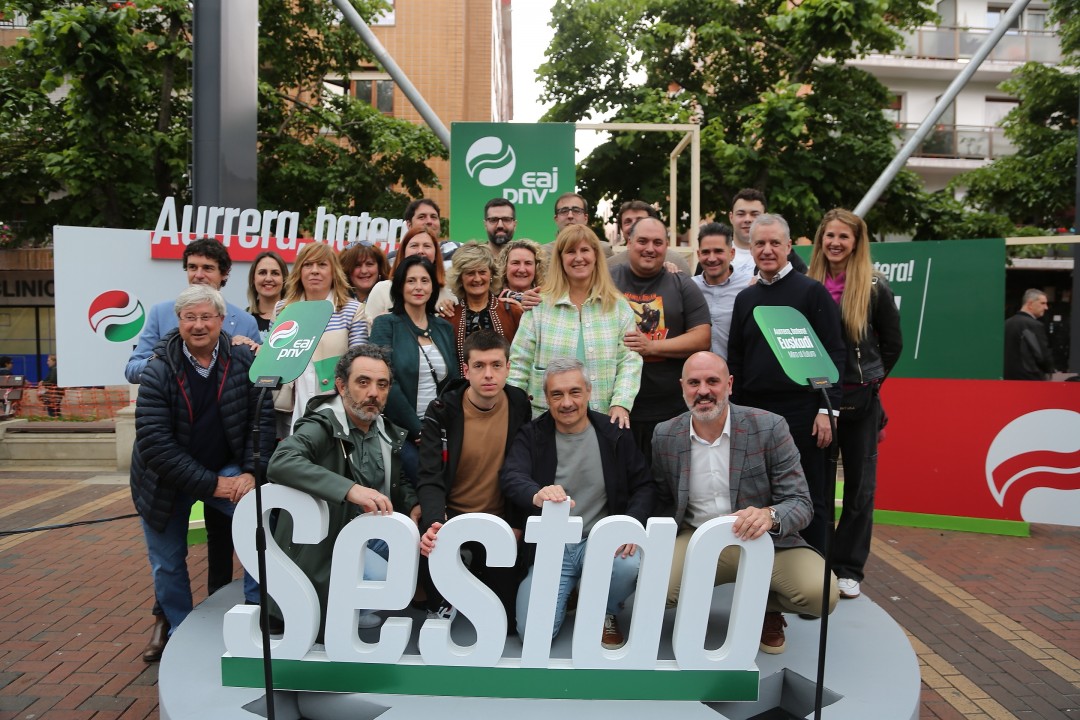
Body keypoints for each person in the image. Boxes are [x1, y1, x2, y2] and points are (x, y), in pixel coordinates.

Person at [124, 237, 260, 662]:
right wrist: (213, 485)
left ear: (222, 319)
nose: (198, 325)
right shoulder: (158, 370)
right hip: (162, 480)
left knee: (260, 522)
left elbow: (258, 423)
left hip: (225, 465)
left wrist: (250, 472)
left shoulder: (243, 361)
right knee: (168, 561)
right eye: (189, 318)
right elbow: (156, 446)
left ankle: (258, 614)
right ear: (178, 321)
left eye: (206, 317)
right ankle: (179, 632)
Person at [652, 352, 838, 655]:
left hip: (763, 539)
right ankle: (704, 602)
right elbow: (662, 499)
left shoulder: (769, 427)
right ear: (682, 387)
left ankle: (766, 607)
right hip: (697, 535)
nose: (703, 391)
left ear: (729, 384)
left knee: (823, 594)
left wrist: (769, 515)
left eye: (712, 381)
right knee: (654, 589)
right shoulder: (665, 435)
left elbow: (801, 502)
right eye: (694, 383)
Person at [500, 358, 654, 649]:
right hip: (553, 546)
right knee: (532, 635)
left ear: (589, 391)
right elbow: (511, 475)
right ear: (547, 398)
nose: (567, 402)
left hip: (603, 542)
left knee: (628, 565)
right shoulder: (532, 435)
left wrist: (630, 523)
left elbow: (644, 485)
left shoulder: (614, 433)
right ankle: (570, 590)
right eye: (557, 394)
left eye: (575, 392)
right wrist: (536, 493)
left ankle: (606, 610)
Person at [267, 344, 419, 638]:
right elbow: (281, 461)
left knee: (417, 550)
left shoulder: (384, 429)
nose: (373, 393)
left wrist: (413, 504)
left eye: (382, 384)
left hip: (367, 535)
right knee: (383, 576)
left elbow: (397, 479)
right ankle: (339, 612)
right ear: (341, 385)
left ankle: (355, 607)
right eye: (363, 382)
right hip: (325, 544)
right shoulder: (323, 423)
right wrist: (349, 489)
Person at [728, 214, 845, 554]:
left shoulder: (812, 292)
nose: (767, 250)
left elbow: (834, 352)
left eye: (774, 243)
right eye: (760, 243)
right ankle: (764, 573)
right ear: (751, 248)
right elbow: (736, 359)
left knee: (810, 494)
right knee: (757, 496)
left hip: (804, 412)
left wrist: (827, 410)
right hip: (755, 413)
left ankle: (814, 569)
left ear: (789, 246)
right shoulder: (745, 299)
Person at [809, 210, 902, 599]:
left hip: (860, 401)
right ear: (821, 240)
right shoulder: (809, 283)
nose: (835, 243)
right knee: (817, 486)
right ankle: (815, 563)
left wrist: (871, 383)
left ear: (856, 242)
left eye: (843, 237)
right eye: (829, 235)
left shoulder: (874, 285)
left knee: (860, 489)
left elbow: (893, 344)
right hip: (817, 400)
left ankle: (848, 568)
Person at [416, 330, 532, 623]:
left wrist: (517, 524)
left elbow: (524, 469)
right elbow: (430, 475)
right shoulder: (442, 410)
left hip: (500, 522)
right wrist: (435, 524)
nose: (488, 374)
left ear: (508, 368)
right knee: (440, 617)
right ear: (466, 371)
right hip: (452, 519)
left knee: (507, 623)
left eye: (496, 365)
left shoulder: (518, 403)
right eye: (479, 366)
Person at [508, 225, 642, 422]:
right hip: (544, 419)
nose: (579, 258)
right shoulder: (539, 305)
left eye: (585, 250)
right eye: (571, 251)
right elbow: (520, 363)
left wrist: (621, 403)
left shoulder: (618, 306)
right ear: (560, 259)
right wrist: (512, 410)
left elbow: (629, 361)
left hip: (602, 417)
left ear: (596, 256)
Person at [609, 216, 711, 467]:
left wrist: (652, 346)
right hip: (617, 406)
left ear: (666, 246)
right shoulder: (606, 280)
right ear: (628, 242)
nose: (650, 248)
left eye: (657, 242)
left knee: (669, 477)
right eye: (642, 241)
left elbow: (702, 337)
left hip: (672, 409)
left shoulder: (681, 283)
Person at [369, 256, 460, 484]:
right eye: (411, 281)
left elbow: (454, 382)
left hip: (440, 429)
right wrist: (418, 429)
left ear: (433, 287)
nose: (418, 287)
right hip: (401, 430)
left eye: (424, 280)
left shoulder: (443, 327)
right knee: (424, 482)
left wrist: (439, 427)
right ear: (400, 286)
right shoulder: (385, 324)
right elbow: (386, 382)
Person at [125, 238, 261, 383]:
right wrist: (166, 357)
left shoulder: (246, 322)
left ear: (224, 273)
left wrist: (250, 353)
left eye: (207, 268)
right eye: (192, 267)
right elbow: (132, 371)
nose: (199, 275)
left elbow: (259, 376)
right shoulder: (160, 313)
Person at [274, 242, 367, 434]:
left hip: (337, 410)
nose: (314, 271)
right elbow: (274, 358)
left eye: (322, 265)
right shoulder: (283, 310)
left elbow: (359, 367)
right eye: (308, 265)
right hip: (293, 409)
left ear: (334, 272)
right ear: (299, 272)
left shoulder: (352, 310)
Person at [445, 242, 521, 372]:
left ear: (491, 275)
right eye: (470, 273)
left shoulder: (512, 312)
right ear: (460, 278)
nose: (477, 279)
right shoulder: (449, 317)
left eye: (482, 272)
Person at [364, 227, 457, 319]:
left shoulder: (449, 295)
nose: (420, 251)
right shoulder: (382, 290)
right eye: (414, 245)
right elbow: (367, 327)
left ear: (436, 253)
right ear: (403, 252)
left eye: (427, 246)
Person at [692, 222, 752, 359]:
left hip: (737, 369)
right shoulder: (689, 287)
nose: (712, 258)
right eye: (706, 252)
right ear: (698, 254)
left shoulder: (749, 286)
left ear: (732, 253)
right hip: (698, 371)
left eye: (718, 251)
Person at [727, 188, 807, 275]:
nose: (747, 219)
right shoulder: (719, 254)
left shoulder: (786, 256)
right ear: (731, 217)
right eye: (741, 214)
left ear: (766, 216)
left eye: (755, 214)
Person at [608, 200, 691, 273]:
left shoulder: (678, 262)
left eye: (640, 220)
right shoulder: (609, 266)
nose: (633, 225)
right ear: (622, 228)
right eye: (628, 222)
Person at [1003, 289, 1054, 381]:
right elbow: (1042, 355)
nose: (1046, 307)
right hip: (1030, 380)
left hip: (1007, 378)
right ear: (1030, 304)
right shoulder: (1034, 325)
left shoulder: (1006, 323)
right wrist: (1049, 369)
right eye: (1042, 303)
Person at [245, 250, 288, 342]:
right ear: (253, 279)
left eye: (275, 273)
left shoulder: (295, 316)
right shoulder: (243, 319)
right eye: (262, 273)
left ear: (284, 279)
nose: (268, 279)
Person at [496, 238, 545, 310]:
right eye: (515, 263)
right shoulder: (490, 301)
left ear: (536, 267)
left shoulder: (547, 301)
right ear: (505, 267)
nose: (522, 270)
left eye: (528, 263)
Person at [339, 240, 390, 310]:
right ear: (345, 269)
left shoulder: (392, 298)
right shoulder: (334, 300)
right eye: (357, 265)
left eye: (369, 264)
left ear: (380, 267)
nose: (364, 271)